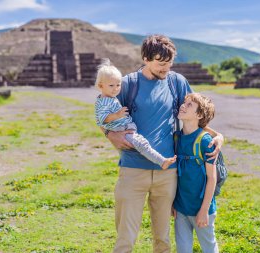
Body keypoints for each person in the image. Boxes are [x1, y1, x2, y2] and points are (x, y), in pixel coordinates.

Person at [105, 34, 224, 253]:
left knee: (162, 239)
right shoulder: (129, 84)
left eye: (169, 63)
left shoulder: (175, 81)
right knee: (126, 238)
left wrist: (218, 135)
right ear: (145, 58)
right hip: (133, 170)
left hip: (167, 173)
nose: (165, 68)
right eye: (160, 64)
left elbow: (196, 112)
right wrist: (109, 134)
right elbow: (104, 115)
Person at [94, 59, 177, 169]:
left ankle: (161, 160)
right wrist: (117, 115)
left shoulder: (109, 98)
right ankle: (162, 161)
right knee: (142, 145)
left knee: (142, 144)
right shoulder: (104, 101)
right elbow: (102, 119)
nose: (115, 89)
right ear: (100, 86)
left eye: (118, 85)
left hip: (125, 127)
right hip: (122, 130)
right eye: (111, 85)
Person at [172, 93, 219, 253]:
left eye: (189, 105)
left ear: (199, 115)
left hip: (202, 209)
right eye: (184, 102)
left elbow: (212, 179)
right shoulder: (177, 138)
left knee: (209, 248)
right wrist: (174, 203)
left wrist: (204, 211)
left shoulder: (205, 141)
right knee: (183, 249)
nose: (183, 105)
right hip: (181, 208)